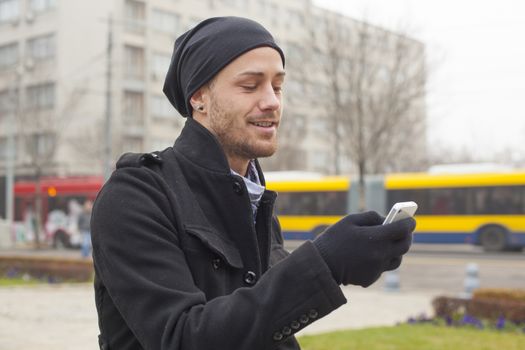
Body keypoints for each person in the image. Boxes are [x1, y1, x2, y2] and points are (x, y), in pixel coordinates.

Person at [91, 16, 416, 350]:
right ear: (198, 97)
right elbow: (182, 338)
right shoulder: (134, 196)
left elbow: (264, 331)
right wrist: (326, 264)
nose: (273, 102)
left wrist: (350, 260)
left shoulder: (256, 199)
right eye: (250, 85)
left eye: (278, 86)